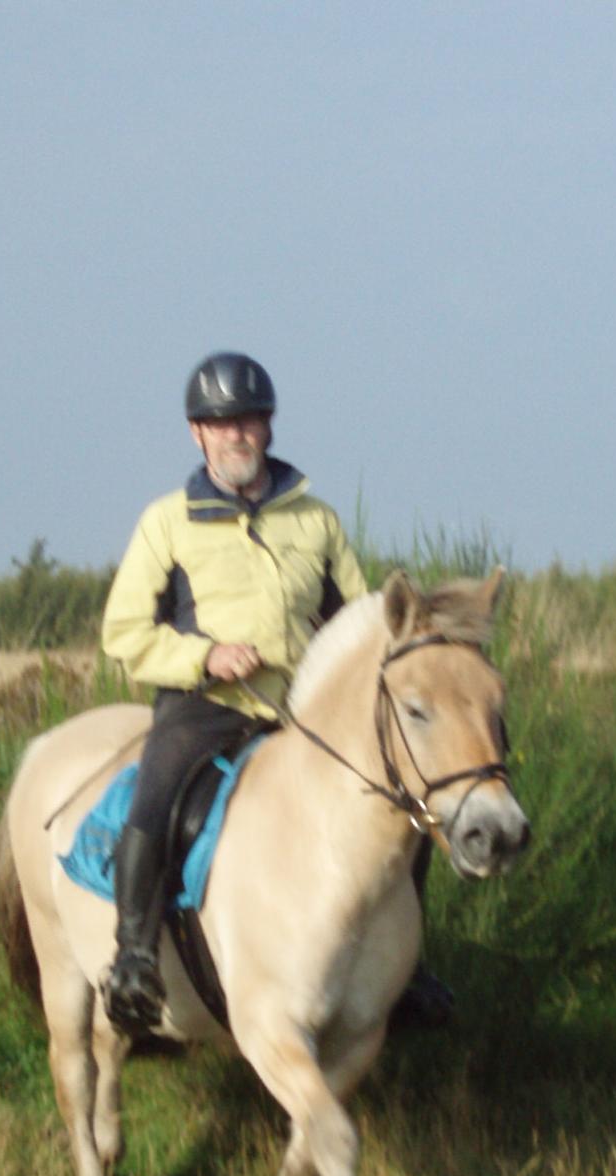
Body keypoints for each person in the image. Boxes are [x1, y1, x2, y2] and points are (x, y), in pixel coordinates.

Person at [99, 351, 453, 1032]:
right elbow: (124, 632)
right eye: (221, 422)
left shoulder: (314, 520)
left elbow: (361, 618)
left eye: (251, 420)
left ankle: (404, 969)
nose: (238, 434)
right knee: (155, 796)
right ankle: (135, 960)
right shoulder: (167, 522)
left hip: (300, 718)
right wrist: (206, 656)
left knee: (407, 811)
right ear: (197, 434)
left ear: (267, 429)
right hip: (205, 708)